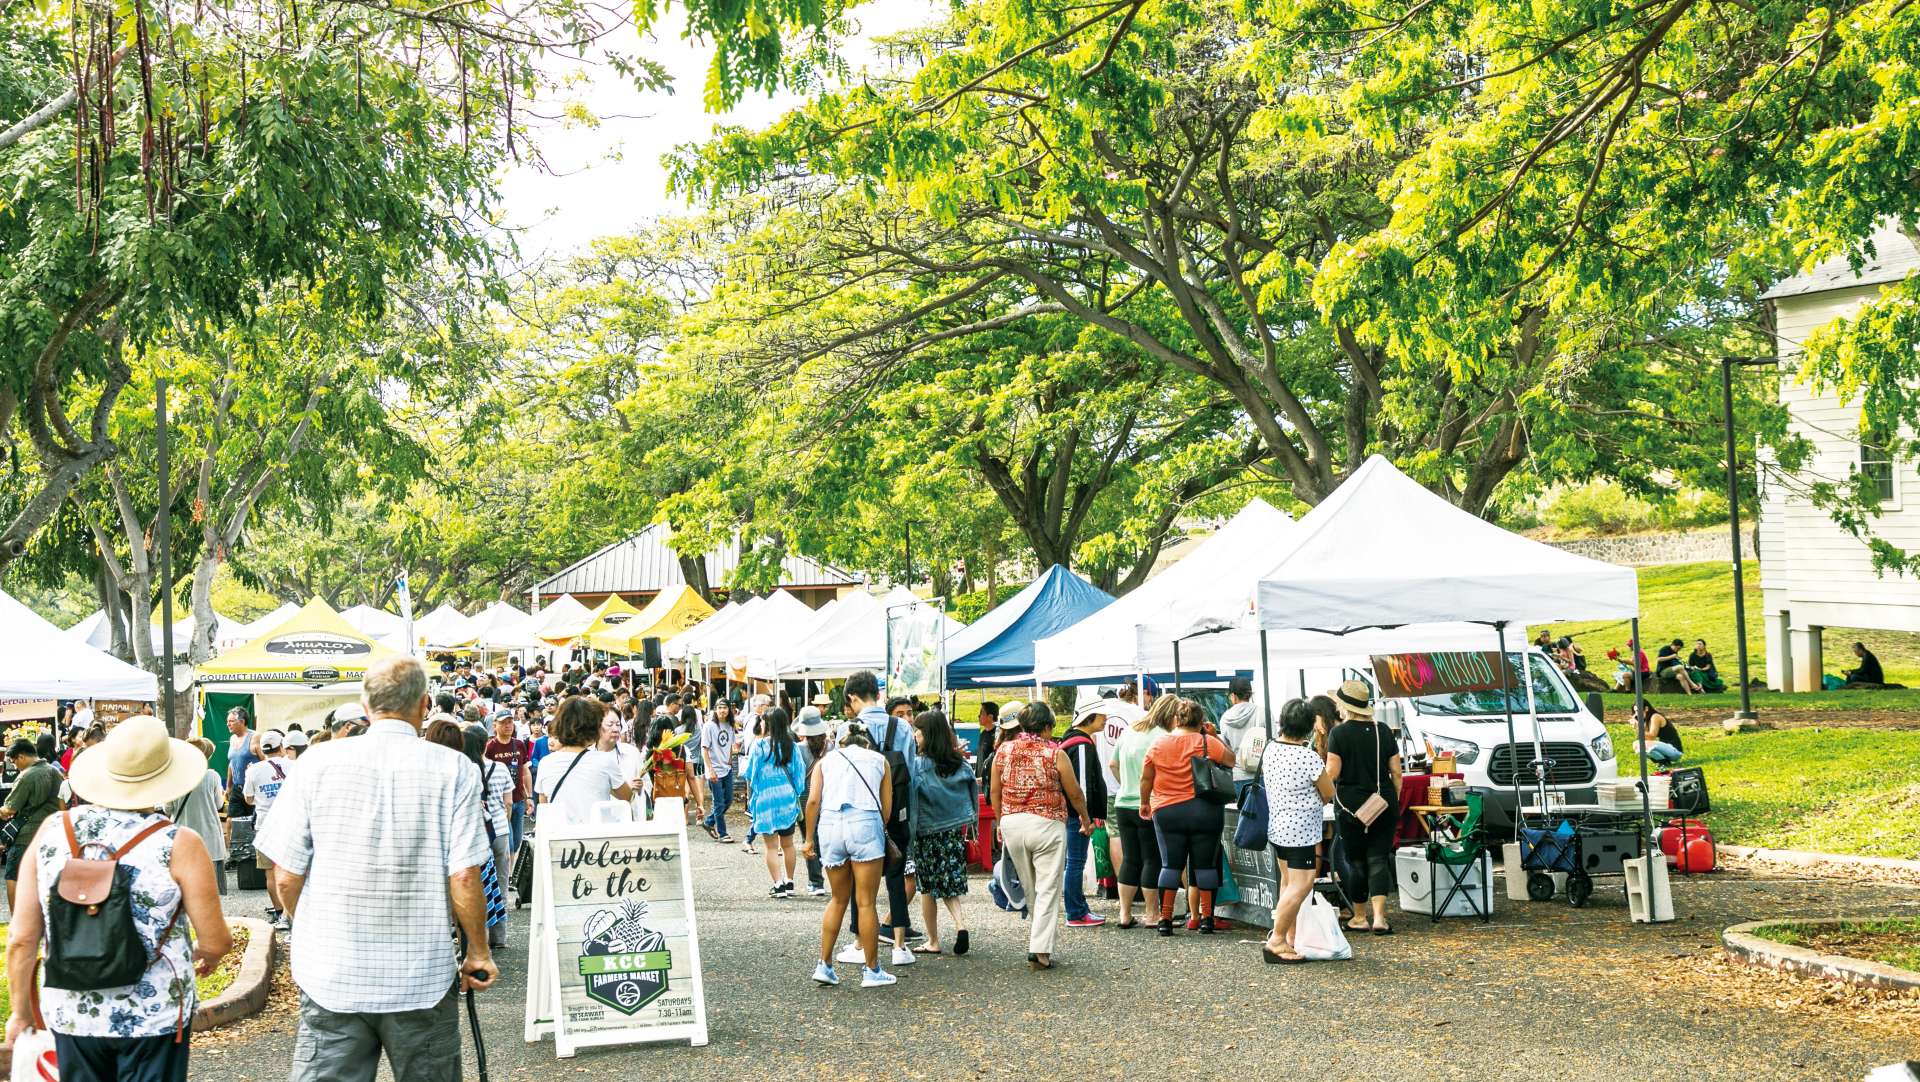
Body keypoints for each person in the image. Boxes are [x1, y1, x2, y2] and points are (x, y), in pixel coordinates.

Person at [257, 657, 497, 1082]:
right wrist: (478, 950)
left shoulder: (315, 763)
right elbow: (463, 875)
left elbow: (285, 875)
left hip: (333, 973)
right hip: (420, 975)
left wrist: (310, 924)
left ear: (365, 707)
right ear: (424, 704)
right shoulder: (453, 768)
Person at [6, 715, 229, 1081]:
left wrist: (20, 1012)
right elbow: (216, 940)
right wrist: (208, 956)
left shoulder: (52, 830)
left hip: (72, 1012)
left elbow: (21, 938)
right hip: (154, 1015)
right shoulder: (179, 843)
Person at [991, 702, 1092, 969]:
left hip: (1013, 823)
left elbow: (994, 791)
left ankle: (1039, 940)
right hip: (1047, 824)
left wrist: (1001, 823)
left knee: (1031, 886)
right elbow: (1074, 793)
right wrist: (1085, 818)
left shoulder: (1004, 750)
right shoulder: (1055, 753)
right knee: (1048, 887)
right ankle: (1040, 949)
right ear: (1048, 727)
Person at [804, 726, 896, 988]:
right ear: (866, 743)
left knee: (837, 898)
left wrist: (809, 839)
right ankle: (871, 969)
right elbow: (885, 809)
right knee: (865, 902)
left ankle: (824, 964)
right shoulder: (880, 760)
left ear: (841, 742)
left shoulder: (825, 761)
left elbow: (813, 801)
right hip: (865, 822)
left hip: (831, 824)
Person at [841, 670, 919, 964]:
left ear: (852, 697)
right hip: (897, 811)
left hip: (861, 813)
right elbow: (910, 772)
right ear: (877, 692)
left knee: (859, 878)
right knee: (896, 877)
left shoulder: (848, 729)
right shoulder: (901, 727)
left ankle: (861, 943)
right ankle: (900, 946)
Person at [1139, 699, 1234, 936]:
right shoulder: (1207, 742)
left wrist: (1144, 802)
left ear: (1176, 719)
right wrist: (1213, 735)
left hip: (1168, 811)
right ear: (1201, 721)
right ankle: (1207, 919)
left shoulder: (1158, 744)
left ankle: (1165, 919)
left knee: (1170, 864)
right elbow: (1231, 760)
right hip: (1205, 811)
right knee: (1205, 866)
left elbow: (1146, 778)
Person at [1260, 700, 1335, 963]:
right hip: (1301, 830)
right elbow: (1328, 792)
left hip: (1278, 826)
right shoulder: (1307, 756)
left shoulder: (1270, 749)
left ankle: (1289, 937)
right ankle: (1277, 939)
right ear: (1307, 727)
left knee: (1287, 883)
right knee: (1301, 885)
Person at [1325, 680, 1402, 935]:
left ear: (1344, 706)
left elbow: (1332, 772)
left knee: (1356, 860)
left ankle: (1360, 917)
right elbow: (1396, 773)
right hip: (1383, 801)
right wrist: (1391, 800)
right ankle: (1380, 917)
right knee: (1378, 857)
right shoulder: (1383, 730)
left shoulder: (1338, 734)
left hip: (1350, 805)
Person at [909, 710, 976, 955]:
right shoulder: (959, 763)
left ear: (928, 734)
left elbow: (913, 801)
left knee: (927, 888)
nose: (915, 735)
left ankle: (933, 940)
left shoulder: (917, 766)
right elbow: (971, 793)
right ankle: (960, 925)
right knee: (949, 884)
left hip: (927, 833)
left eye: (918, 730)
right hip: (952, 832)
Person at [1110, 696, 1174, 928]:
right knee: (1151, 858)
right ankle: (1151, 914)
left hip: (1122, 802)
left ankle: (1125, 914)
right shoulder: (1161, 737)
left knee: (1130, 858)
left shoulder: (1129, 731)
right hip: (1147, 804)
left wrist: (1125, 784)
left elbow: (1113, 764)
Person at [535, 697, 634, 825]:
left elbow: (545, 807)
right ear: (593, 728)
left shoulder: (546, 763)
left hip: (561, 838)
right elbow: (628, 796)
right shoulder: (604, 761)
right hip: (597, 838)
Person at [743, 707, 808, 898]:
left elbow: (751, 774)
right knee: (788, 844)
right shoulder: (792, 745)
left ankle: (778, 885)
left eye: (763, 720)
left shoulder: (760, 746)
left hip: (766, 800)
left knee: (771, 847)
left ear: (768, 723)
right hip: (786, 798)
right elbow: (800, 774)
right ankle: (790, 882)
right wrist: (793, 791)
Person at [1056, 701, 1110, 927]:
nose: (1105, 719)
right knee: (1076, 862)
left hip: (1070, 813)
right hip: (1077, 815)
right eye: (1101, 716)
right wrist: (1085, 816)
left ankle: (1078, 909)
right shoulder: (1081, 744)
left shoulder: (1072, 739)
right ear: (1089, 718)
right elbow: (1082, 785)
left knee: (1073, 862)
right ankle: (1076, 912)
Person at [2, 737, 63, 912]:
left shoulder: (27, 776)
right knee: (44, 879)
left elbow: (10, 809)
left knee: (13, 876)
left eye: (14, 761)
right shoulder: (54, 771)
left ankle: (17, 920)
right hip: (51, 833)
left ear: (21, 757)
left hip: (26, 836)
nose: (14, 766)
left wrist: (2, 810)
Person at [467, 724, 515, 947]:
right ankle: (499, 938)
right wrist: (502, 822)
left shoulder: (466, 770)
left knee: (479, 886)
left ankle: (480, 938)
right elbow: (509, 803)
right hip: (500, 831)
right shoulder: (501, 768)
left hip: (478, 833)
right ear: (485, 744)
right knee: (501, 884)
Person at [244, 730, 295, 929]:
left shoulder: (253, 770)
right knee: (294, 869)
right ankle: (294, 913)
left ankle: (280, 914)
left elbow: (248, 799)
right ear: (281, 747)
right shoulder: (293, 765)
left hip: (265, 827)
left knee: (270, 873)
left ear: (262, 750)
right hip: (291, 825)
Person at [168, 736, 230, 896]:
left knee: (186, 889)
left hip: (183, 835)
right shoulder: (212, 776)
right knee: (211, 891)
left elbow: (168, 808)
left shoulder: (175, 777)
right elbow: (218, 805)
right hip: (209, 836)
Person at [793, 707, 833, 897]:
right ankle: (829, 876)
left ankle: (815, 882)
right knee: (826, 838)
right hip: (829, 798)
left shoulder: (798, 750)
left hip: (804, 799)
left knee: (809, 839)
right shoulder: (833, 748)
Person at [484, 713, 534, 860]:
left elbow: (525, 771)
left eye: (510, 722)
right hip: (501, 804)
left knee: (517, 841)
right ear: (495, 726)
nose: (508, 726)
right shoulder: (490, 747)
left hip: (518, 799)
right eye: (503, 723)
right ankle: (509, 878)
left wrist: (529, 796)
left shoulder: (518, 744)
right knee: (509, 845)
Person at [699, 699, 738, 842]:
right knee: (719, 802)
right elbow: (704, 749)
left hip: (726, 769)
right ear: (715, 709)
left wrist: (729, 760)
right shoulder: (709, 726)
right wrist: (710, 769)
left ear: (729, 710)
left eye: (725, 708)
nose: (722, 710)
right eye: (720, 707)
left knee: (728, 800)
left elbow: (731, 745)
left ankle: (709, 822)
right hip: (714, 769)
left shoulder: (730, 725)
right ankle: (722, 833)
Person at [1218, 676, 1261, 796]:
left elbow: (1226, 748)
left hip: (1238, 774)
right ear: (1250, 694)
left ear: (1233, 696)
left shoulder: (1225, 718)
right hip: (1261, 774)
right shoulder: (1263, 713)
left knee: (1243, 812)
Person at [224, 706, 257, 818]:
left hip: (254, 788)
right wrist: (228, 787)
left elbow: (267, 761)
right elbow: (231, 763)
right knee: (231, 821)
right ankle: (230, 837)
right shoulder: (232, 738)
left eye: (231, 721)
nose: (228, 724)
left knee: (251, 823)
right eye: (227, 721)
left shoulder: (255, 737)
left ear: (242, 722)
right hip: (237, 788)